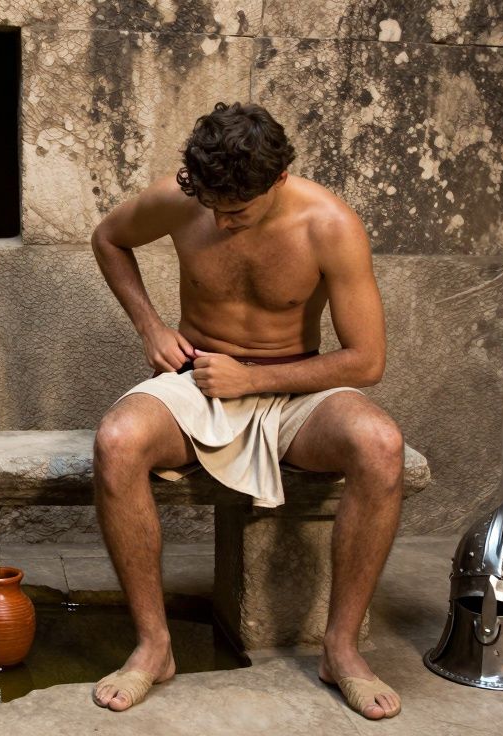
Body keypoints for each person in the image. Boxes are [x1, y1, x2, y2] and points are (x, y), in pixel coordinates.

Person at [88, 101, 404, 720]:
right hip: (198, 381)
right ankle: (154, 646)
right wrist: (150, 326)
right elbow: (108, 238)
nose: (224, 221)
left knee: (380, 444)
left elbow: (366, 362)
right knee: (117, 440)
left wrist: (253, 379)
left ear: (279, 180)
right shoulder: (184, 202)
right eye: (214, 208)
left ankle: (340, 649)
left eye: (239, 210)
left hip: (296, 391)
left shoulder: (330, 225)